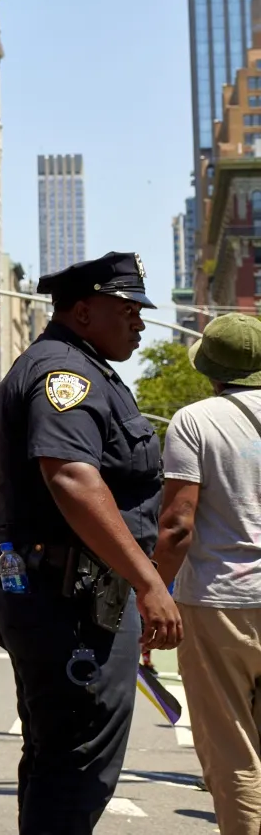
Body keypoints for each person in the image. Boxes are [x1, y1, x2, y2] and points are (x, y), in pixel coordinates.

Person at [0, 252, 179, 834]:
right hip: (71, 598)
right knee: (77, 766)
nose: (139, 322)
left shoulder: (76, 365)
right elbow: (70, 474)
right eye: (129, 310)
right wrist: (149, 583)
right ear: (85, 311)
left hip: (62, 589)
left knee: (55, 756)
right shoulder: (67, 375)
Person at [156, 312, 261, 835]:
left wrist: (151, 591)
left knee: (231, 749)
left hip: (221, 602)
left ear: (211, 369)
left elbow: (177, 525)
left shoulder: (195, 421)